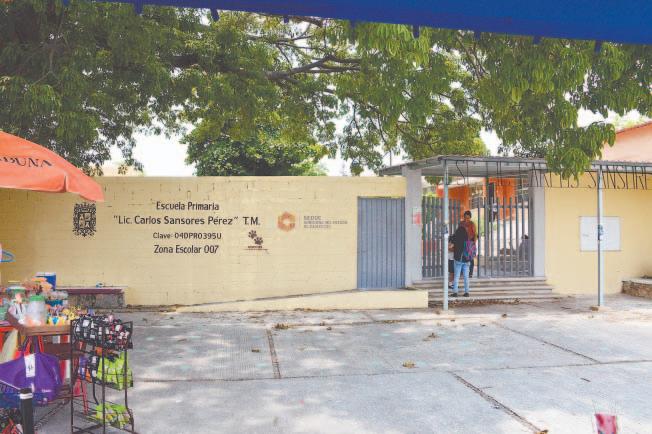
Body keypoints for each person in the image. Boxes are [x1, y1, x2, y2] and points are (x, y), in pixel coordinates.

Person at [450, 224, 471, 297]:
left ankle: (455, 292)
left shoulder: (456, 238)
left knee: (456, 276)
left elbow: (450, 246)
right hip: (466, 260)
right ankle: (467, 292)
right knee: (466, 277)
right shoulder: (467, 238)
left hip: (458, 260)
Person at [460, 210, 477, 277]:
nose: (466, 219)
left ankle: (470, 273)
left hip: (470, 243)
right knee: (462, 258)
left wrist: (474, 243)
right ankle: (462, 272)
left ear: (470, 218)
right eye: (465, 218)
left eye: (468, 218)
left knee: (471, 259)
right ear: (463, 217)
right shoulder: (461, 223)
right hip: (462, 242)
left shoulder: (472, 224)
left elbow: (475, 234)